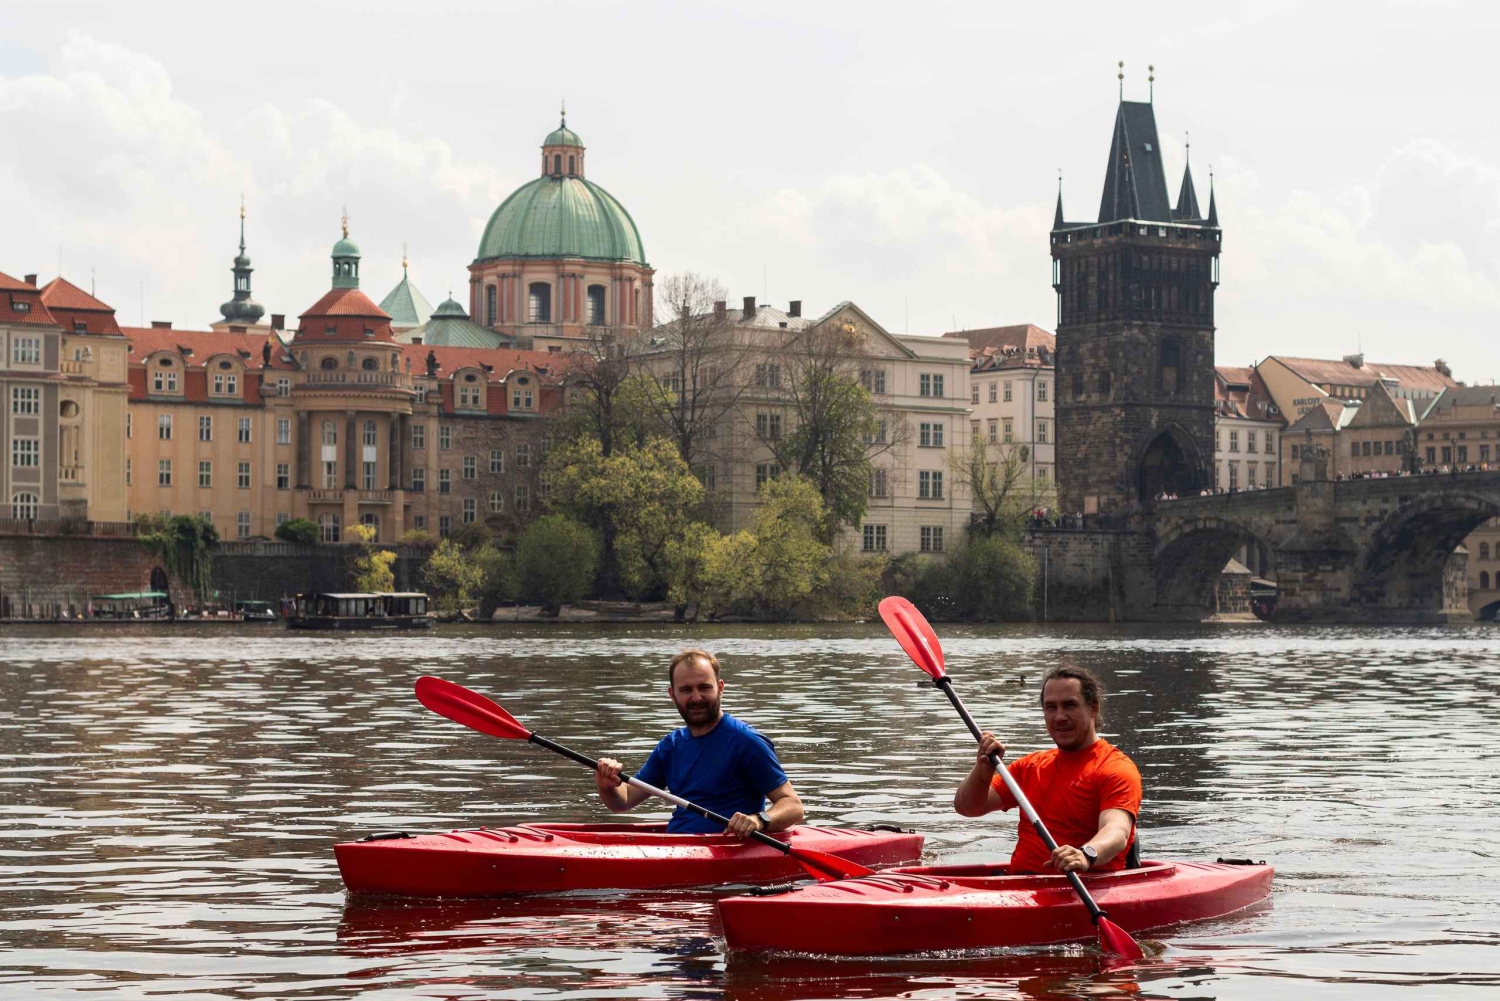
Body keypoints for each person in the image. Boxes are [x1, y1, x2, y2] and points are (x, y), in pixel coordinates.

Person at [953, 662, 1141, 875]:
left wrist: (1086, 854)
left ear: (1093, 707)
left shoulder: (1116, 768)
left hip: (1083, 890)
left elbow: (1117, 830)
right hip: (1019, 888)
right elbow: (967, 807)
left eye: (1070, 705)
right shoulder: (1030, 767)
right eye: (1051, 707)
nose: (1060, 717)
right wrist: (983, 770)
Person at [595, 648, 805, 838]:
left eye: (704, 687)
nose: (696, 698)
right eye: (686, 690)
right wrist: (607, 785)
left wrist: (759, 820)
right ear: (672, 694)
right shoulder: (670, 746)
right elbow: (624, 801)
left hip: (727, 852)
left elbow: (793, 806)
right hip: (676, 846)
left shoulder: (748, 742)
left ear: (720, 688)